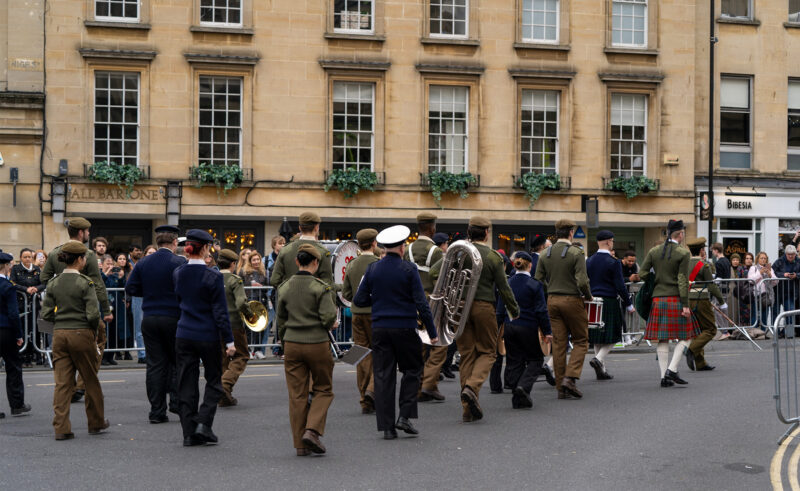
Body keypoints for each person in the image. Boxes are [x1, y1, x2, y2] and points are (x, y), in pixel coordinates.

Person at [353, 225, 438, 439]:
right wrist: (432, 330)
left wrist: (380, 300)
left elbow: (360, 300)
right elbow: (421, 303)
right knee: (413, 370)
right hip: (405, 327)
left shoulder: (372, 269)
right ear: (401, 247)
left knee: (383, 375)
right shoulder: (409, 270)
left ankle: (387, 428)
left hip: (380, 328)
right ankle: (405, 416)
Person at [439, 216, 519, 421]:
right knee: (488, 352)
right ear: (486, 233)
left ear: (468, 231)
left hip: (459, 308)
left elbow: (433, 274)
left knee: (466, 354)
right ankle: (472, 388)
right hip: (483, 307)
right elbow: (504, 288)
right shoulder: (493, 257)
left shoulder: (457, 252)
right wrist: (514, 310)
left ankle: (467, 409)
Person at [173, 229, 235, 446]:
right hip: (207, 334)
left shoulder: (178, 273)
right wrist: (229, 341)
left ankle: (189, 433)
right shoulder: (213, 276)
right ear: (206, 249)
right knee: (214, 381)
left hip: (184, 333)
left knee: (186, 383)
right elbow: (220, 311)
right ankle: (203, 423)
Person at [41, 241, 109, 440]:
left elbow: (46, 313)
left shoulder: (54, 283)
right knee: (90, 379)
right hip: (81, 333)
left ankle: (61, 428)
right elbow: (93, 314)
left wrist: (60, 321)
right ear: (79, 259)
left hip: (60, 334)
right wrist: (95, 331)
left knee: (62, 384)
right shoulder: (85, 282)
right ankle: (96, 423)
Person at [276, 244, 339, 456]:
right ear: (316, 263)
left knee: (297, 395)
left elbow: (281, 320)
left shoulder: (284, 287)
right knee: (323, 389)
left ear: (296, 262)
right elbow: (329, 318)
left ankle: (300, 446)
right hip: (317, 343)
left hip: (292, 343)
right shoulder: (321, 287)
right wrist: (332, 323)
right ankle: (312, 431)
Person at [124, 225, 186, 424]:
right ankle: (176, 401)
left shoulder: (143, 262)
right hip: (174, 317)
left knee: (155, 365)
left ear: (158, 243)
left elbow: (131, 287)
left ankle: (157, 411)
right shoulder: (180, 261)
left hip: (150, 316)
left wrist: (150, 295)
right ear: (175, 242)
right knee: (177, 361)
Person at [534, 219, 591, 399]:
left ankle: (560, 388)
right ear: (571, 233)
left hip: (552, 300)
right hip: (572, 299)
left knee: (558, 344)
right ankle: (570, 377)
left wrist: (550, 290)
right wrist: (588, 296)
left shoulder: (545, 254)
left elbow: (538, 280)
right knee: (581, 340)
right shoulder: (576, 252)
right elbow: (582, 281)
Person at [639, 220, 700, 387]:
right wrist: (686, 304)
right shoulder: (682, 253)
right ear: (680, 234)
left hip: (658, 300)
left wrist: (655, 281)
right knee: (686, 337)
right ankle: (672, 370)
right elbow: (682, 280)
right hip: (675, 299)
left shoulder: (654, 250)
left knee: (663, 339)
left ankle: (663, 378)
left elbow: (642, 273)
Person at [496, 252, 551, 409]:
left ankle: (517, 398)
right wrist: (547, 331)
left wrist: (498, 328)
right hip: (528, 326)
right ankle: (523, 387)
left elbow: (500, 310)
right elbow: (541, 310)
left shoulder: (507, 283)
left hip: (509, 326)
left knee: (514, 361)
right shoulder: (535, 284)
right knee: (535, 360)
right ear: (530, 265)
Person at [403, 213, 446, 403]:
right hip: (431, 303)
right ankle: (429, 384)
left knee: (419, 347)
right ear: (432, 229)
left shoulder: (408, 249)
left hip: (411, 303)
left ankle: (422, 387)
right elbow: (441, 280)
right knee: (439, 345)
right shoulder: (435, 251)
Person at [586, 231, 634, 380]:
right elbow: (620, 286)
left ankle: (601, 371)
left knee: (597, 336)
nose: (612, 243)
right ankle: (598, 359)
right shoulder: (614, 262)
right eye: (612, 241)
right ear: (608, 242)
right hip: (609, 300)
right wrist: (629, 304)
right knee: (613, 336)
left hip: (593, 300)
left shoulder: (589, 261)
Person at [341, 228, 379, 414]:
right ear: (374, 243)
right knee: (380, 353)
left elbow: (347, 293)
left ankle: (364, 398)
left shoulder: (352, 264)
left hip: (357, 313)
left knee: (360, 354)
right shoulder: (379, 263)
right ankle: (372, 389)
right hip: (376, 314)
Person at [216, 249, 252, 407]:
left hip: (215, 324)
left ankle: (224, 396)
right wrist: (249, 314)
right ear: (233, 264)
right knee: (241, 356)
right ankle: (225, 385)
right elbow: (241, 303)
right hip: (234, 324)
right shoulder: (234, 280)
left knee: (222, 359)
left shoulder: (211, 277)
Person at [684, 238, 726, 372]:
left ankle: (700, 363)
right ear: (701, 250)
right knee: (711, 329)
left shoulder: (684, 264)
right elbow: (711, 285)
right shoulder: (704, 265)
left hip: (689, 299)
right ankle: (691, 349)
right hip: (701, 299)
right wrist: (721, 301)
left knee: (699, 331)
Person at [0, 252, 31, 419]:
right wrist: (19, 334)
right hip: (5, 330)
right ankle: (17, 405)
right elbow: (13, 313)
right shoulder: (7, 286)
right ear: (5, 266)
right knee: (13, 367)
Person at [270, 212, 333, 288]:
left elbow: (274, 280)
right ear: (316, 228)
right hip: (314, 299)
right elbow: (328, 284)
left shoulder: (285, 250)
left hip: (289, 298)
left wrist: (285, 292)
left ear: (300, 228)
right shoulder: (323, 252)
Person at [11, 248, 45, 365]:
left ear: (32, 258)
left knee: (34, 328)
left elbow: (43, 283)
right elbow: (13, 283)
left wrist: (36, 289)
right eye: (25, 257)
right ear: (20, 258)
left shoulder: (37, 269)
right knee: (22, 329)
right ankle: (23, 355)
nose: (27, 259)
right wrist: (26, 289)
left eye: (29, 257)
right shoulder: (16, 269)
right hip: (21, 304)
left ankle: (36, 354)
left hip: (34, 304)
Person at [772, 245, 800, 336]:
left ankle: (788, 333)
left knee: (790, 313)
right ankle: (775, 333)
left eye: (792, 254)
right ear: (785, 254)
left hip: (791, 292)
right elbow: (772, 272)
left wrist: (796, 275)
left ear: (795, 254)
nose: (791, 256)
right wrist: (783, 274)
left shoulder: (798, 261)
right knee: (775, 313)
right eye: (789, 254)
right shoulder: (779, 261)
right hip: (777, 291)